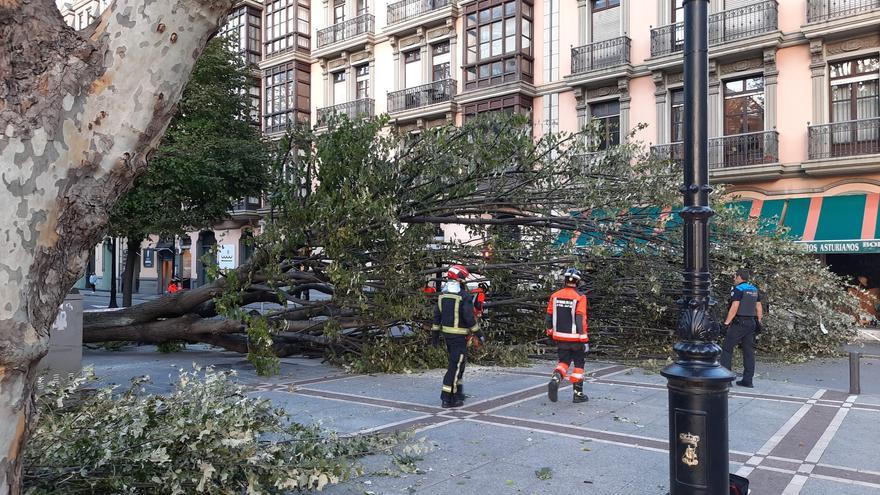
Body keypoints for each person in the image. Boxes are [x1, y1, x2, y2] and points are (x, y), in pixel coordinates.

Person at [431, 264, 485, 408]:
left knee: (458, 365)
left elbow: (437, 317)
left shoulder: (442, 296)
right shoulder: (464, 297)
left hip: (447, 336)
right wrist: (479, 333)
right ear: (459, 280)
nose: (464, 282)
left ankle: (458, 394)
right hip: (459, 337)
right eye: (463, 280)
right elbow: (469, 318)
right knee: (454, 366)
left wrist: (435, 335)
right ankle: (447, 397)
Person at [546, 268, 590, 404]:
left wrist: (550, 332)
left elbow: (548, 317)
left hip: (560, 337)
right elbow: (579, 318)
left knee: (563, 362)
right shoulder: (580, 297)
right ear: (578, 281)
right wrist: (584, 339)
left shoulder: (555, 296)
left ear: (565, 280)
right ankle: (578, 394)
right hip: (576, 338)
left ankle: (555, 379)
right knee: (579, 364)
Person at [721, 269, 763, 388]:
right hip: (751, 323)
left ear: (739, 277)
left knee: (727, 349)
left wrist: (726, 323)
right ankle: (748, 380)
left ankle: (726, 379)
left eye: (735, 276)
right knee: (748, 352)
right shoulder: (754, 289)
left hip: (739, 323)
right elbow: (759, 307)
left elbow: (735, 306)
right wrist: (759, 322)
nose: (734, 279)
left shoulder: (738, 289)